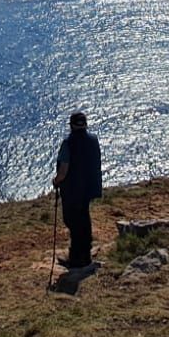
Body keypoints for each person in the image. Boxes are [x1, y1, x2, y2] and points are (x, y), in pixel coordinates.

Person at [50, 111, 103, 269]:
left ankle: (76, 259)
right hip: (88, 188)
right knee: (84, 220)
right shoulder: (93, 140)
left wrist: (57, 180)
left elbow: (64, 168)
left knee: (72, 222)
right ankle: (85, 255)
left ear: (71, 125)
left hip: (73, 190)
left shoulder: (69, 143)